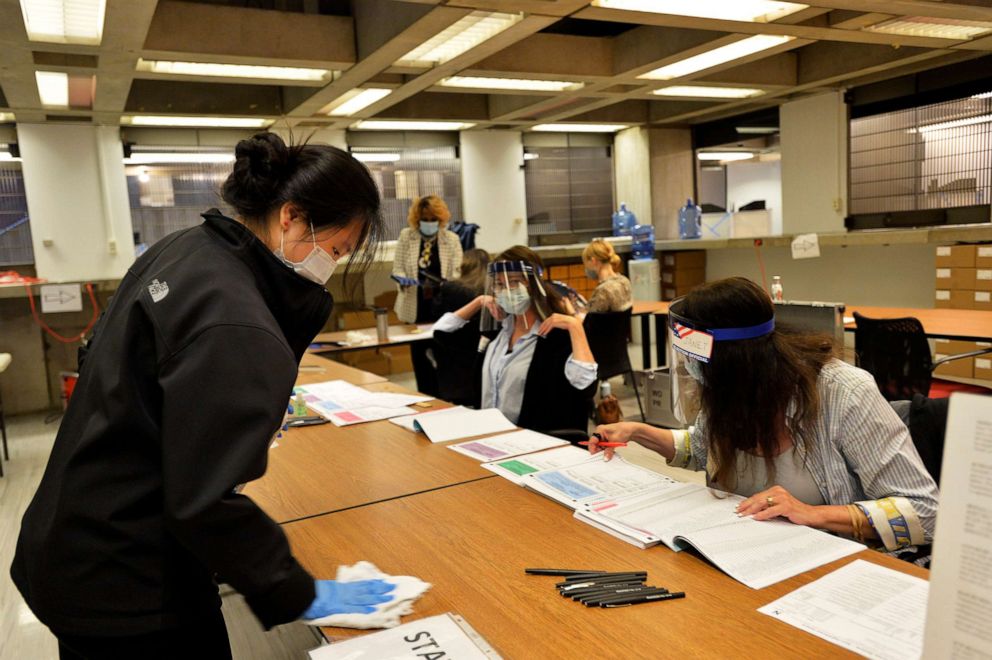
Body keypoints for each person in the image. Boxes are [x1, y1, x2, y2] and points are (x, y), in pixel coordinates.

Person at [11, 132, 397, 659]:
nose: (332, 263)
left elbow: (110, 362)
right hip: (128, 579)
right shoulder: (236, 319)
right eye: (336, 249)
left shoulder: (187, 248)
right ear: (291, 217)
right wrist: (301, 592)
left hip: (74, 533)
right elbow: (203, 501)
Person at [588, 277, 939, 553]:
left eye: (696, 360)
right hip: (743, 558)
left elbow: (925, 511)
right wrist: (638, 432)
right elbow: (700, 448)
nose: (692, 372)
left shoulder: (844, 393)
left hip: (829, 565)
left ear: (737, 361)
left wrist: (813, 514)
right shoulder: (727, 390)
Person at [433, 246, 598, 432]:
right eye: (500, 284)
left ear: (534, 284)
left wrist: (576, 327)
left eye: (514, 282)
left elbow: (584, 387)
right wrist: (478, 302)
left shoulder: (556, 336)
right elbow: (441, 332)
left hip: (533, 443)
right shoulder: (495, 332)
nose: (507, 291)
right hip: (488, 437)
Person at [392, 195, 462, 395]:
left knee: (443, 355)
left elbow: (457, 272)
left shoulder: (451, 239)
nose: (429, 223)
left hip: (442, 307)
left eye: (433, 219)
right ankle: (425, 394)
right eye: (425, 218)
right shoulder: (407, 236)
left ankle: (445, 396)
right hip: (416, 306)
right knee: (420, 356)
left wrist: (444, 284)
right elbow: (398, 268)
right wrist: (404, 279)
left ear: (441, 219)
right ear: (417, 218)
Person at [581, 238, 631, 314]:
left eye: (586, 263)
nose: (586, 268)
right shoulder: (625, 281)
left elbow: (589, 322)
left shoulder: (603, 291)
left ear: (593, 261)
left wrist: (571, 312)